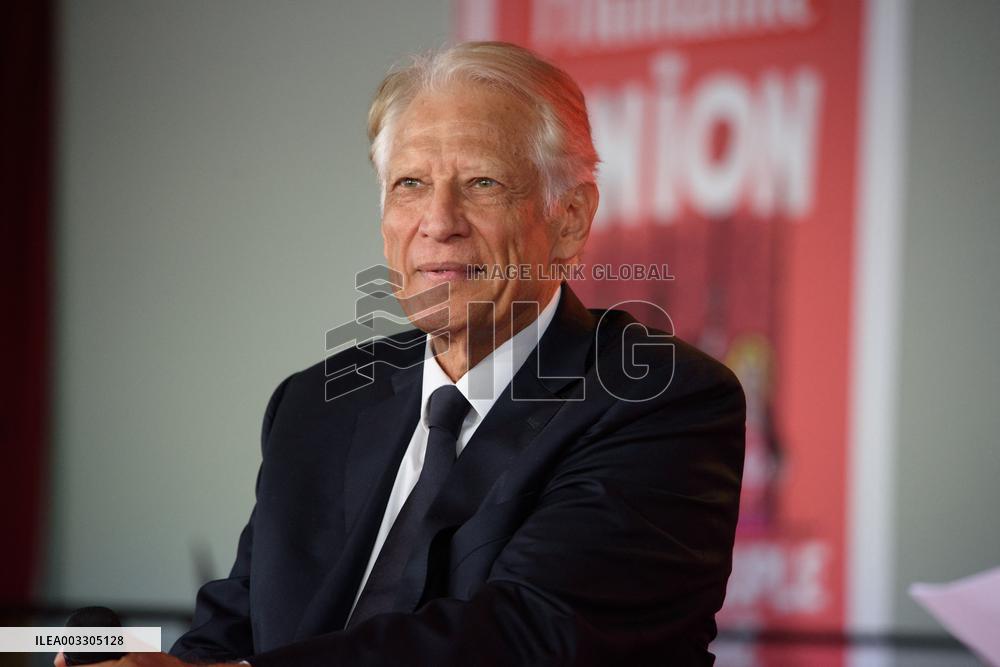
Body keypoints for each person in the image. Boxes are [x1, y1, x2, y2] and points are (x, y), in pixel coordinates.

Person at [61, 41, 745, 667]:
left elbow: (533, 637)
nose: (438, 222)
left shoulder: (656, 396)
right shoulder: (317, 405)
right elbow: (238, 627)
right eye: (410, 185)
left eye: (483, 183)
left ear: (569, 220)